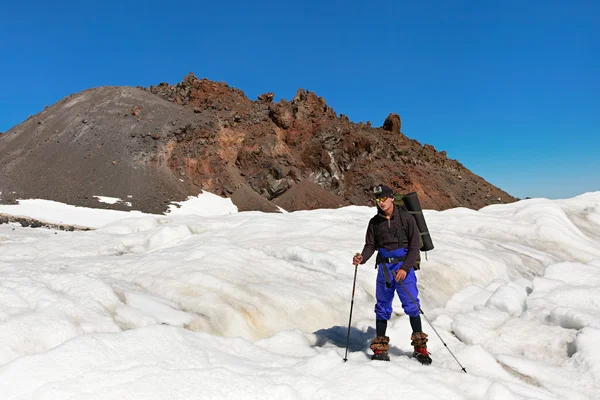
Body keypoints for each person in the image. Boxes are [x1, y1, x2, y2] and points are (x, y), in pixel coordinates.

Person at [352, 184, 432, 364]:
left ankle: (421, 349)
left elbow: (414, 247)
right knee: (382, 307)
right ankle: (380, 349)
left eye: (383, 199)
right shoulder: (374, 222)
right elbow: (370, 245)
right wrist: (361, 258)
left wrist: (404, 268)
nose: (381, 203)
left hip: (405, 268)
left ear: (391, 198)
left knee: (412, 305)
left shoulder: (406, 219)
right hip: (384, 270)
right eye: (377, 200)